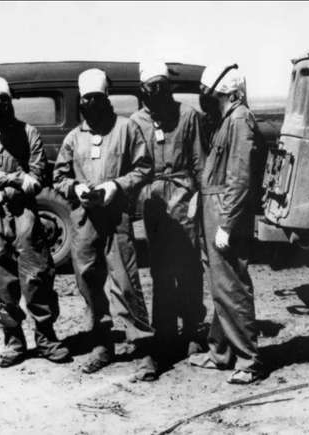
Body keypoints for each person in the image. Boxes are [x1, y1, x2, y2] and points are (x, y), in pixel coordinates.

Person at [52, 68, 158, 381]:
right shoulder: (74, 138)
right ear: (81, 101)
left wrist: (117, 186)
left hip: (116, 217)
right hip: (84, 220)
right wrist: (75, 189)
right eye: (87, 99)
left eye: (97, 98)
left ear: (106, 98)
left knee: (125, 279)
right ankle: (101, 344)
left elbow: (143, 168)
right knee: (88, 280)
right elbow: (59, 176)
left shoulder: (126, 129)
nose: (92, 103)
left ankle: (143, 346)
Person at [0, 77, 70, 368]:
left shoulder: (28, 133)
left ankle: (47, 339)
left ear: (10, 100)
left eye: (3, 98)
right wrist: (13, 178)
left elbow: (37, 177)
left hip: (25, 214)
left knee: (37, 278)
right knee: (4, 283)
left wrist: (1, 192)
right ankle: (14, 342)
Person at [188, 64, 266, 384]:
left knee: (231, 285)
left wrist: (227, 223)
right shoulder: (226, 122)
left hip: (224, 212)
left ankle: (249, 360)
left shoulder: (239, 120)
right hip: (213, 207)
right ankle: (221, 352)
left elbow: (239, 178)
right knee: (219, 284)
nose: (212, 102)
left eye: (217, 97)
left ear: (231, 95)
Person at [130, 61, 207, 360]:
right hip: (155, 203)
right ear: (143, 91)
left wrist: (200, 195)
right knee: (161, 270)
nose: (159, 93)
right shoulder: (136, 123)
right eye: (152, 88)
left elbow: (200, 160)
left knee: (189, 265)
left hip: (185, 197)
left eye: (164, 87)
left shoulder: (188, 116)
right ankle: (164, 331)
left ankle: (192, 329)